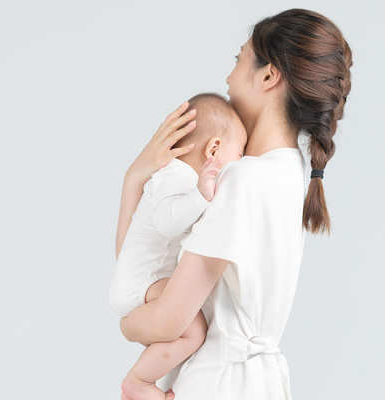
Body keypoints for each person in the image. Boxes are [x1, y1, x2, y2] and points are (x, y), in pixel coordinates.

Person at [114, 8, 353, 400]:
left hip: (216, 382)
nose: (228, 78)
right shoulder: (290, 171)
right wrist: (134, 178)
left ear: (268, 75)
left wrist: (126, 323)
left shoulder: (241, 180)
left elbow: (166, 317)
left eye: (238, 59)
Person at [110, 93, 248, 400]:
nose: (240, 162)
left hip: (144, 280)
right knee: (192, 330)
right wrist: (199, 196)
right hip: (141, 281)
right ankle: (138, 381)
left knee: (188, 332)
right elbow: (166, 223)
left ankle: (141, 380)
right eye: (239, 154)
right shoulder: (174, 176)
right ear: (214, 149)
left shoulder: (181, 178)